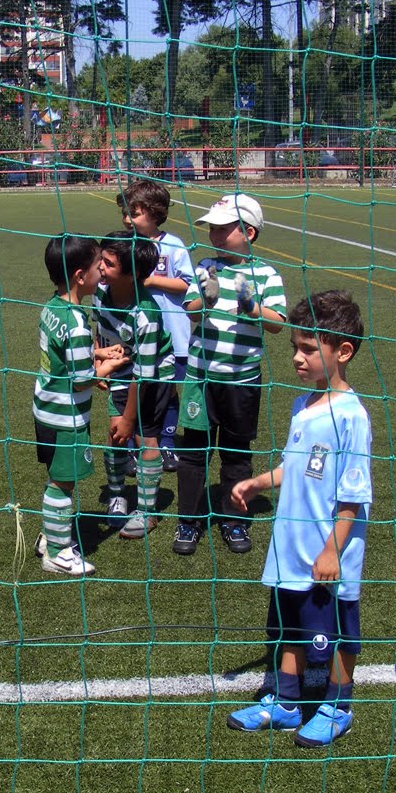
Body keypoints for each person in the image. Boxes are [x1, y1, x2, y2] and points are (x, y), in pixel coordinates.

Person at [226, 290, 371, 748]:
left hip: (327, 556)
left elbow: (353, 496)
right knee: (287, 626)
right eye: (295, 346)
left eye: (309, 348)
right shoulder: (302, 405)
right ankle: (286, 702)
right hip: (289, 548)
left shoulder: (352, 417)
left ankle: (337, 706)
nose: (297, 357)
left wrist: (333, 550)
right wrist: (258, 482)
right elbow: (300, 468)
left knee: (336, 633)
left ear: (342, 352)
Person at [173, 193, 287, 556]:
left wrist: (254, 308)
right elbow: (190, 312)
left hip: (242, 382)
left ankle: (233, 520)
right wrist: (204, 300)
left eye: (224, 229)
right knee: (193, 453)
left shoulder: (267, 274)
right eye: (213, 229)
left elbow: (278, 324)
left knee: (236, 454)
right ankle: (188, 523)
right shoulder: (206, 266)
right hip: (200, 380)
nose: (215, 236)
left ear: (249, 233)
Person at [32, 234, 129, 576]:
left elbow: (63, 358)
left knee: (56, 477)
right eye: (96, 265)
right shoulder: (76, 323)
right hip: (66, 415)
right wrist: (111, 365)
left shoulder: (52, 307)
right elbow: (81, 379)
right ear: (78, 275)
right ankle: (58, 552)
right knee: (64, 483)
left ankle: (50, 535)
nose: (101, 270)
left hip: (45, 408)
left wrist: (98, 352)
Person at [91, 231, 174, 539]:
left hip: (152, 377)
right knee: (115, 436)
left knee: (144, 438)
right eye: (102, 258)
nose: (100, 266)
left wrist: (129, 417)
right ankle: (116, 496)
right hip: (121, 369)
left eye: (109, 263)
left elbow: (145, 375)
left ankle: (147, 511)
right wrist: (102, 364)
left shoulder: (147, 314)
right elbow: (99, 329)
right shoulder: (102, 292)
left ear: (134, 274)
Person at [117, 180, 193, 472]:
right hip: (135, 335)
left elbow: (187, 284)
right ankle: (136, 446)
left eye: (133, 214)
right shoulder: (125, 246)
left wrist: (150, 280)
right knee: (136, 389)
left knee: (168, 391)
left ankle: (168, 444)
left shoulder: (173, 245)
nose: (127, 220)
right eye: (124, 213)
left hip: (173, 335)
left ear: (155, 213)